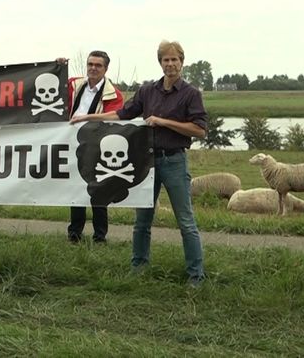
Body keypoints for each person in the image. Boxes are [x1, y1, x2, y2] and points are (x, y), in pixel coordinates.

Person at [71, 40, 207, 286]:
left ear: (182, 62)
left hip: (174, 161)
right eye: (166, 60)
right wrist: (89, 117)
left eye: (175, 59)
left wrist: (164, 122)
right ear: (160, 62)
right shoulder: (147, 91)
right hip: (147, 162)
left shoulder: (191, 94)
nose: (170, 64)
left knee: (185, 221)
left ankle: (195, 274)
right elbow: (122, 114)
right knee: (142, 220)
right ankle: (138, 266)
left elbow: (199, 130)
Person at [58, 51, 125, 244]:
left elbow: (115, 117)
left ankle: (100, 236)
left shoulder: (113, 93)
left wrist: (88, 119)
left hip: (97, 146)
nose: (93, 68)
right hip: (73, 144)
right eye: (90, 64)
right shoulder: (75, 84)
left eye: (98, 65)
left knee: (99, 191)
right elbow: (55, 84)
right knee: (76, 190)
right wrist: (59, 66)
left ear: (105, 69)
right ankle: (74, 233)